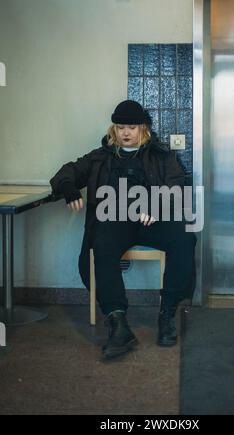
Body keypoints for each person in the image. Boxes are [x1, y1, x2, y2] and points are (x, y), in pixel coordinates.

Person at [50, 100, 197, 359]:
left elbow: (178, 189)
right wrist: (69, 188)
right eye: (120, 127)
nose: (126, 132)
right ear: (113, 130)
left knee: (185, 237)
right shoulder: (100, 157)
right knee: (102, 243)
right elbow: (66, 172)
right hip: (114, 222)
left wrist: (157, 205)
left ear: (143, 129)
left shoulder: (162, 156)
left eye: (132, 127)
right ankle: (118, 323)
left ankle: (167, 313)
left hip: (152, 222)